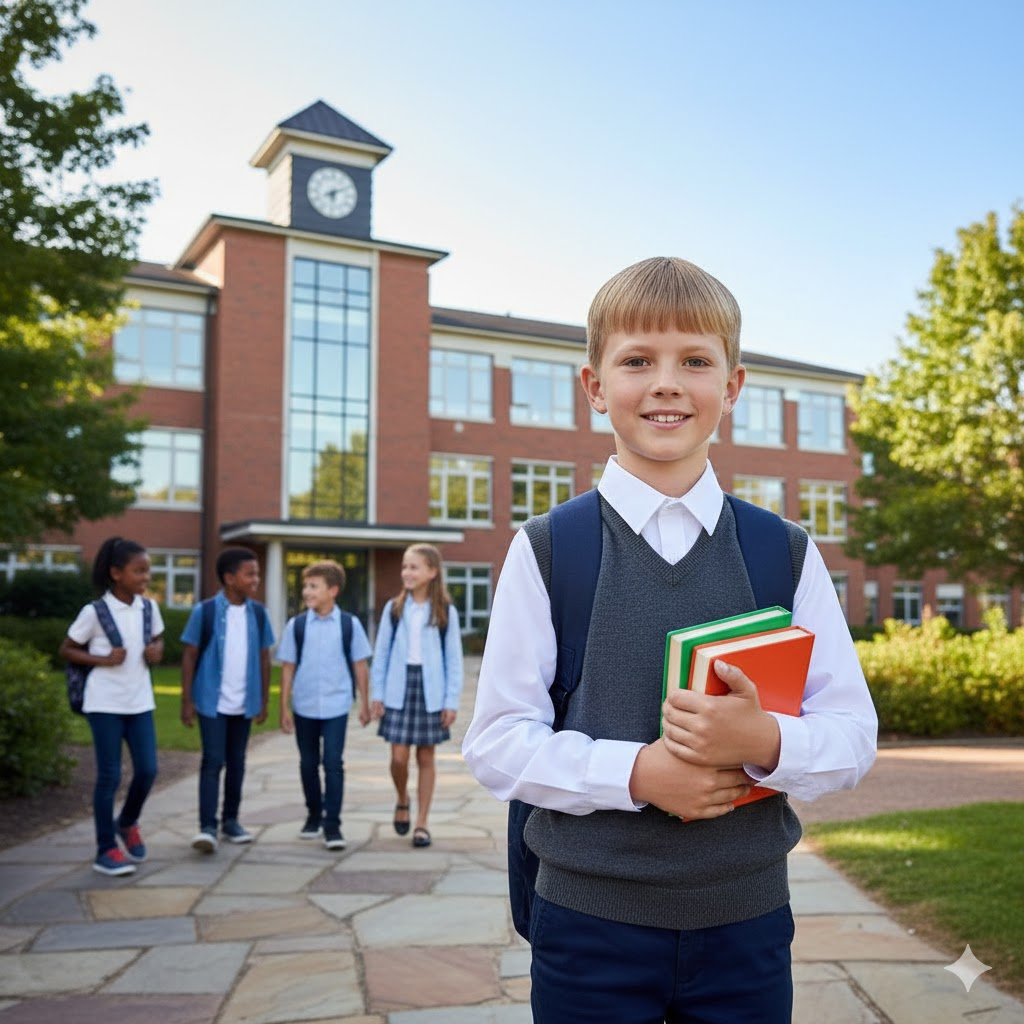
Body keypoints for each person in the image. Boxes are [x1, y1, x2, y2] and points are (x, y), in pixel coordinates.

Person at [462, 256, 878, 1023]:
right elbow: (497, 742)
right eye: (636, 362)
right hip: (589, 927)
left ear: (733, 385)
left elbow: (852, 734)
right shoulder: (551, 548)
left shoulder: (783, 551)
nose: (666, 383)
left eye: (694, 361)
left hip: (746, 925)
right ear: (594, 386)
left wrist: (765, 740)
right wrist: (638, 775)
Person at [60, 537, 165, 876]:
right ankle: (105, 849)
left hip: (140, 701)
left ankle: (128, 822)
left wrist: (156, 651)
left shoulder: (149, 609)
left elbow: (157, 640)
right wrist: (103, 659)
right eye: (139, 571)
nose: (146, 577)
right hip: (104, 703)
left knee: (148, 770)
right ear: (116, 573)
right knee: (110, 775)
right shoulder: (94, 612)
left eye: (147, 570)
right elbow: (67, 649)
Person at [180, 546, 275, 853]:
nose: (256, 579)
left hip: (244, 701)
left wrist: (263, 700)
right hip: (212, 700)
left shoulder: (258, 614)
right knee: (213, 760)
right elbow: (189, 654)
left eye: (257, 574)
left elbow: (264, 657)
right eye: (250, 574)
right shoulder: (205, 611)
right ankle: (207, 827)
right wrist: (186, 700)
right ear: (230, 578)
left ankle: (231, 821)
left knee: (237, 762)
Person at [371, 544, 464, 848]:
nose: (406, 573)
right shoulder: (394, 609)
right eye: (404, 567)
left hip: (430, 691)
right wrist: (377, 693)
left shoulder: (445, 611)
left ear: (432, 572)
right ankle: (402, 798)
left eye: (413, 567)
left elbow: (453, 659)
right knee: (398, 757)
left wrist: (451, 701)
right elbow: (381, 653)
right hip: (399, 688)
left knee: (426, 756)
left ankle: (422, 823)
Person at [277, 559, 372, 850]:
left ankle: (333, 825)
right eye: (305, 586)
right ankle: (313, 814)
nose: (307, 591)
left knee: (332, 763)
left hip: (336, 705)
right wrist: (283, 707)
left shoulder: (349, 624)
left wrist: (365, 703)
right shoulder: (296, 625)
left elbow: (360, 666)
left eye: (313, 586)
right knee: (308, 764)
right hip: (304, 705)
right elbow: (288, 668)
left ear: (333, 590)